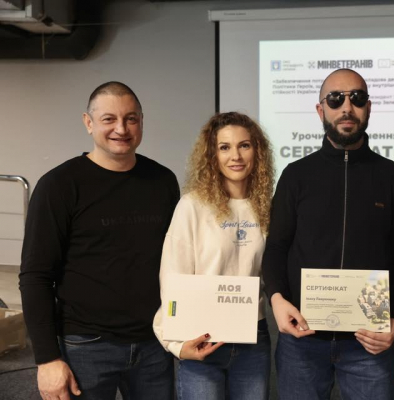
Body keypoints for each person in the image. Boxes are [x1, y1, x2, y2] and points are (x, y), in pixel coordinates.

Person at [19, 81, 180, 400]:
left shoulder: (162, 181)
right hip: (86, 345)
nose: (121, 128)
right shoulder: (59, 185)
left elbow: (176, 260)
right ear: (88, 122)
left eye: (131, 119)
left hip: (154, 342)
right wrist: (47, 359)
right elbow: (35, 276)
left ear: (141, 122)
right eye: (109, 119)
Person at [262, 68, 394, 400]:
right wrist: (276, 299)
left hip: (369, 341)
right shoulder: (295, 175)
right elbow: (276, 247)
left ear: (368, 108)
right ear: (321, 110)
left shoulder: (392, 176)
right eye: (335, 99)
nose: (347, 107)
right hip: (303, 339)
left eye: (357, 98)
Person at [153, 112, 275, 400]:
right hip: (201, 338)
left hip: (252, 339)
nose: (236, 156)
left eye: (244, 145)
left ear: (257, 151)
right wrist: (175, 344)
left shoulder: (267, 207)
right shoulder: (192, 206)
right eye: (224, 147)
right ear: (212, 155)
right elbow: (172, 277)